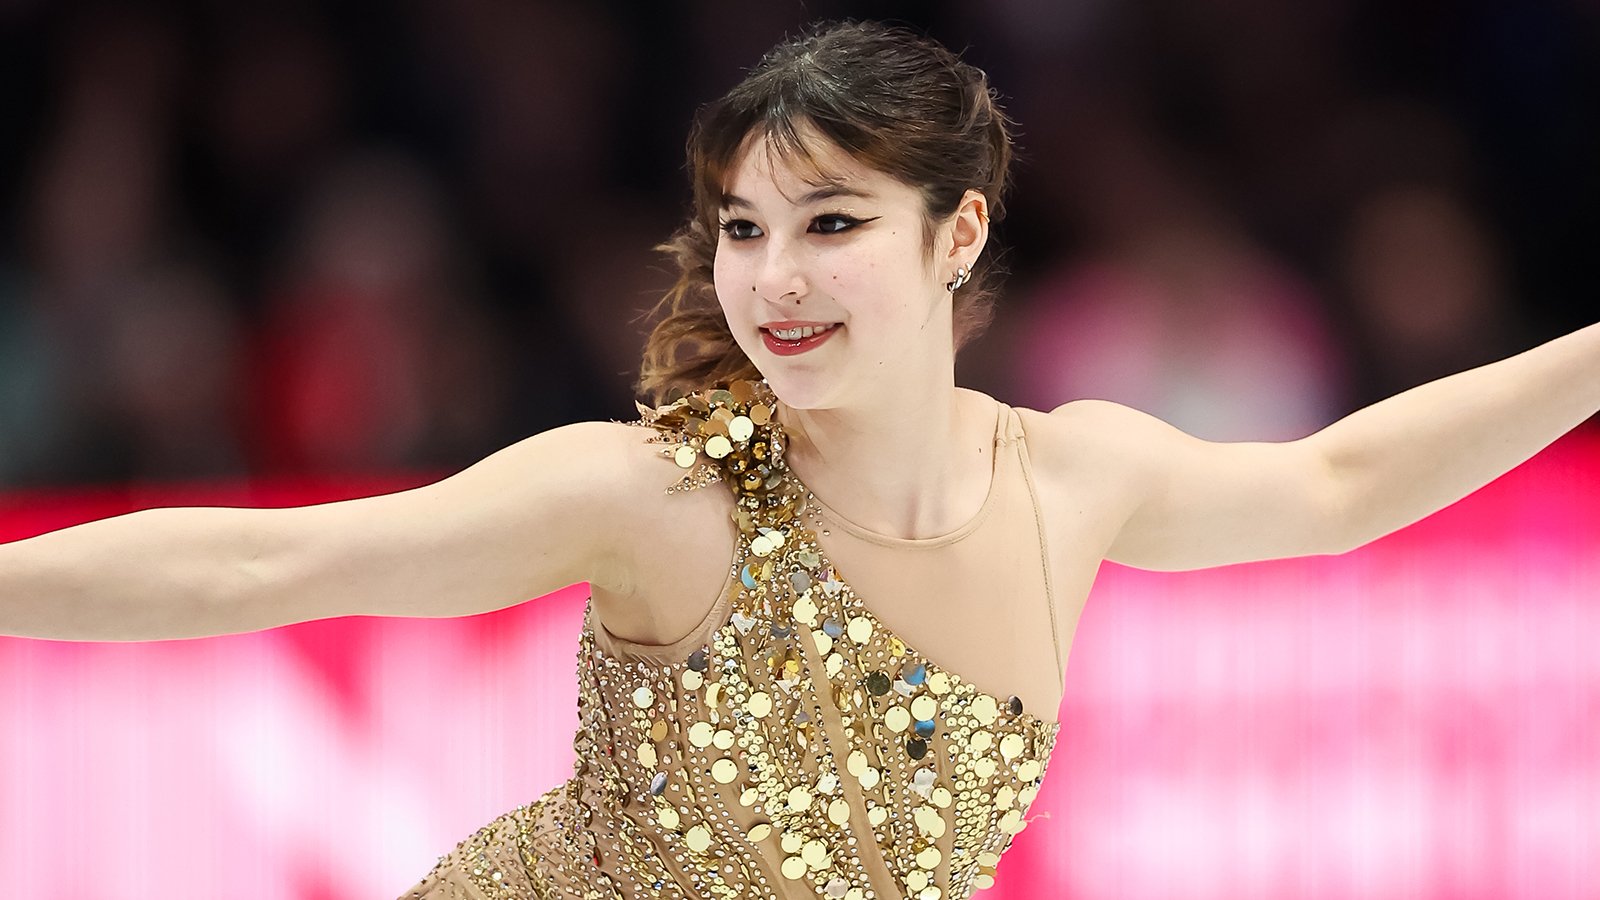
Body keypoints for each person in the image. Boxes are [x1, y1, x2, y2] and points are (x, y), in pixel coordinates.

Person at [1, 19, 1595, 900]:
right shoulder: (658, 498)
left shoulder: (1073, 476)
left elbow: (1339, 486)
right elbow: (264, 563)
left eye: (832, 225)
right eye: (746, 231)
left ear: (956, 235)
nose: (775, 278)